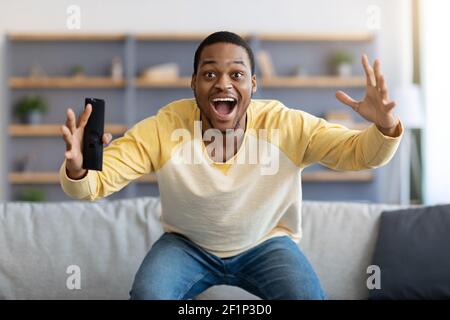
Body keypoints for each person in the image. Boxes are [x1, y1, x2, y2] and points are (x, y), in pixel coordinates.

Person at [60, 31, 403, 300]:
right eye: (209, 73)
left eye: (237, 74)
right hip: (186, 245)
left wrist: (385, 128)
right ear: (193, 83)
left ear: (253, 84)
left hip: (266, 243)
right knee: (149, 294)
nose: (223, 83)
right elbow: (96, 183)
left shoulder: (286, 125)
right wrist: (78, 168)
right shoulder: (164, 127)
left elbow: (359, 153)